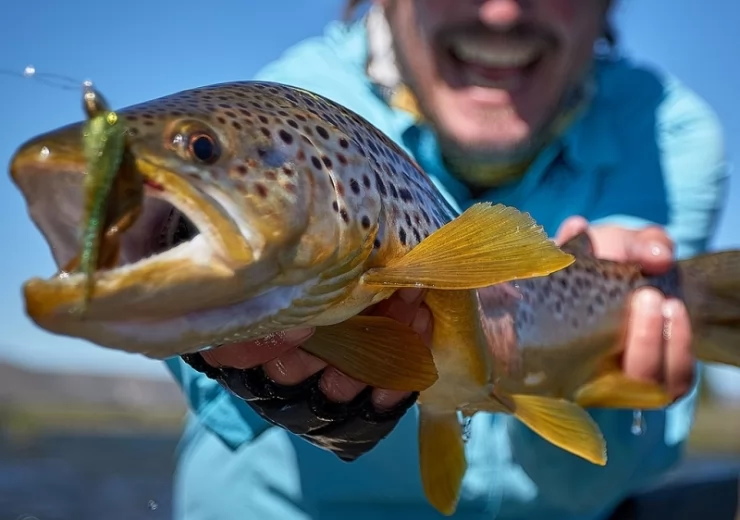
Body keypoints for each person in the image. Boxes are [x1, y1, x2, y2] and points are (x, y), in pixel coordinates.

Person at [166, 1, 729, 519]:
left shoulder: (666, 135)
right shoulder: (281, 123)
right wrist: (229, 351)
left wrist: (601, 350)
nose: (502, 12)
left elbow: (583, 483)